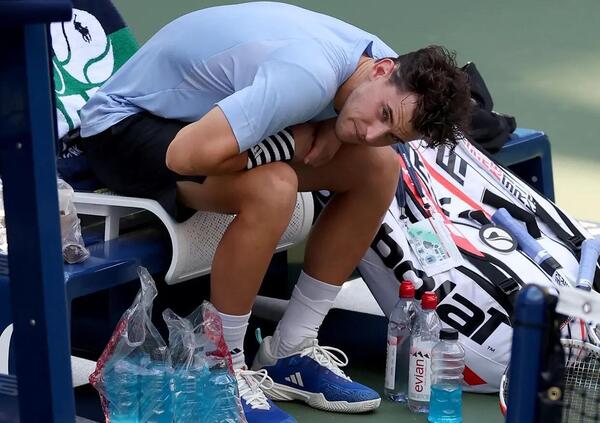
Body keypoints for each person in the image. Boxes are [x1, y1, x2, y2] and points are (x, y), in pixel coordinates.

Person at [79, 2, 470, 421]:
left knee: (379, 168)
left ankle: (289, 350)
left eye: (392, 131)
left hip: (204, 121)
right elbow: (186, 155)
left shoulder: (383, 75)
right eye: (383, 115)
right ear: (380, 70)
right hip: (127, 128)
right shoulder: (306, 76)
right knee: (274, 186)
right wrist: (291, 144)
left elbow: (361, 130)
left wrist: (329, 130)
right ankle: (222, 368)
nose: (372, 132)